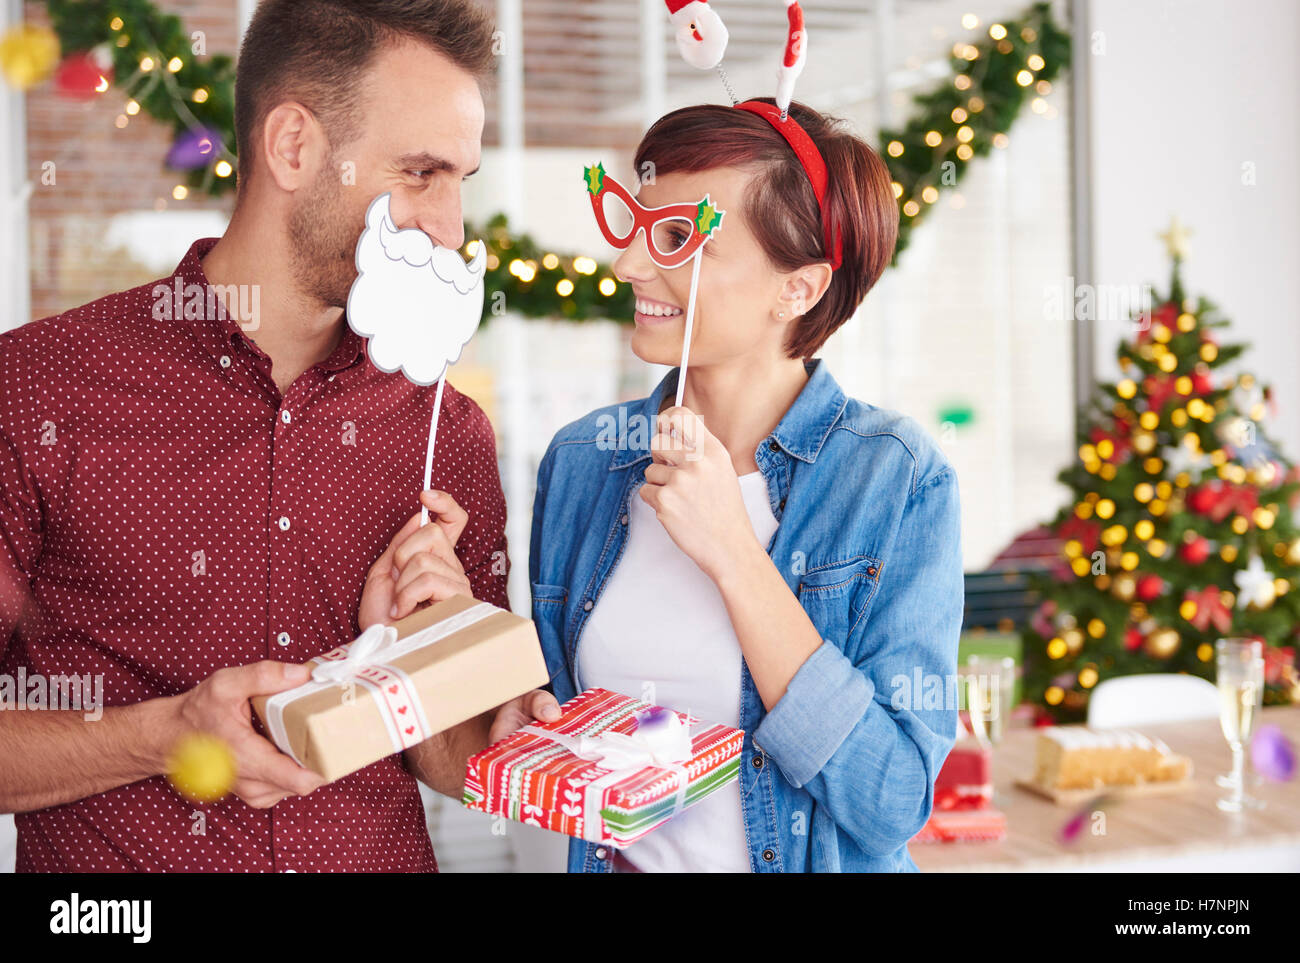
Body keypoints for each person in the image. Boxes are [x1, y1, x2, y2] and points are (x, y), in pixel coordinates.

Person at [0, 0, 510, 871]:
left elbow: (459, 768)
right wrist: (164, 734)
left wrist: (422, 641)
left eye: (461, 178)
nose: (450, 227)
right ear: (293, 147)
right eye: (421, 172)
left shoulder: (446, 429)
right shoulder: (37, 387)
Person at [500, 99, 965, 872]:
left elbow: (892, 801)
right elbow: (550, 741)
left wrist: (735, 553)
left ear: (799, 288)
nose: (629, 266)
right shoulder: (585, 459)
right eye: (638, 226)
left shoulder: (896, 477)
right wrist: (451, 626)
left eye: (679, 237)